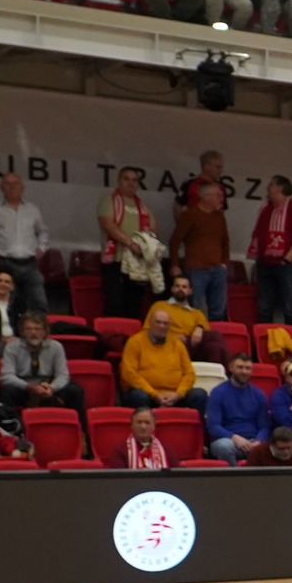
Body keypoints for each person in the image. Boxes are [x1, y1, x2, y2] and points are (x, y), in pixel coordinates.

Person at [0, 172, 51, 310]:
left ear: (22, 188)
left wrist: (42, 248)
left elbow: (43, 230)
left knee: (39, 301)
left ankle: (40, 324)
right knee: (10, 304)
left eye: (15, 183)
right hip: (5, 263)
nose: (12, 187)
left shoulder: (32, 209)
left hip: (30, 263)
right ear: (1, 187)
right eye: (7, 183)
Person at [98, 165, 162, 319]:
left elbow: (153, 230)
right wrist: (131, 244)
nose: (131, 183)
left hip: (138, 262)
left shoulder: (144, 207)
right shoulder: (108, 200)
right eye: (126, 179)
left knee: (134, 305)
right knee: (114, 303)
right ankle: (112, 333)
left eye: (134, 180)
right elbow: (108, 224)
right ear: (119, 181)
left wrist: (145, 245)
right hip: (116, 260)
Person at [119, 307, 209, 413]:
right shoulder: (134, 342)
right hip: (147, 394)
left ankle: (197, 425)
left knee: (199, 395)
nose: (162, 326)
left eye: (166, 323)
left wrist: (178, 394)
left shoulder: (177, 344)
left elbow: (189, 374)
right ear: (150, 323)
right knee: (138, 396)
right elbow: (129, 374)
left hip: (174, 395)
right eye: (158, 322)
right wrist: (154, 394)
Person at [248, 175, 292, 328]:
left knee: (289, 306)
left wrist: (286, 260)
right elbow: (258, 234)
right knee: (264, 306)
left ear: (280, 188)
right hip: (264, 264)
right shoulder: (265, 209)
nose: (267, 188)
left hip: (286, 266)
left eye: (271, 185)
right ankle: (263, 337)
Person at [0, 310, 84, 414]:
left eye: (38, 329)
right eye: (29, 329)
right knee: (7, 391)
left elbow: (63, 375)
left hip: (48, 386)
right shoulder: (12, 348)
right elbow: (6, 376)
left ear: (45, 331)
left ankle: (79, 423)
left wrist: (52, 388)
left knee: (75, 390)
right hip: (24, 387)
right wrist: (29, 387)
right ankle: (11, 423)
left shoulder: (56, 347)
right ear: (22, 331)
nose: (33, 333)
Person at [170, 180, 232, 315]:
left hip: (218, 269)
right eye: (218, 195)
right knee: (195, 307)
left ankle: (216, 328)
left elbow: (225, 241)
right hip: (196, 269)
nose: (221, 199)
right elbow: (175, 241)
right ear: (206, 197)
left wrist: (225, 263)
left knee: (218, 309)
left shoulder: (219, 217)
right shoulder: (190, 215)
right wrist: (175, 265)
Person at [204, 352, 271, 463]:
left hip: (253, 441)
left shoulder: (259, 395)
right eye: (240, 367)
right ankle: (234, 474)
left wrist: (259, 441)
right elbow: (213, 426)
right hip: (229, 441)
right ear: (231, 368)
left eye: (248, 368)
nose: (244, 372)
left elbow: (264, 426)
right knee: (224, 446)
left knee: (273, 448)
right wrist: (235, 438)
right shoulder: (218, 393)